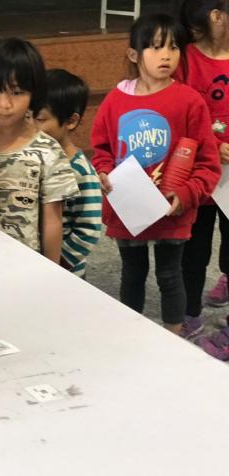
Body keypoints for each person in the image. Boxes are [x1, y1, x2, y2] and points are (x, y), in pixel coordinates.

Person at [91, 14, 221, 336]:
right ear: (134, 54)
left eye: (174, 47)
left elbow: (208, 164)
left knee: (170, 275)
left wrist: (186, 195)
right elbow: (101, 150)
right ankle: (132, 336)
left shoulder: (189, 101)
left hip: (171, 211)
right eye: (156, 47)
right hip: (128, 208)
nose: (166, 55)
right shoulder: (114, 101)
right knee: (132, 274)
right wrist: (103, 172)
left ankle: (174, 337)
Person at [0, 38, 79, 264]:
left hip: (25, 267)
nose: (4, 104)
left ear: (34, 94)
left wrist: (52, 273)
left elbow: (52, 221)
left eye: (17, 92)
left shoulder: (48, 150)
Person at [177, 0, 229, 359]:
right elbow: (176, 111)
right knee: (192, 252)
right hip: (198, 175)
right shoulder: (185, 59)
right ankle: (189, 314)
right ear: (216, 16)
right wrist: (211, 145)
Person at [35, 69, 102, 277]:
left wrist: (57, 264)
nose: (30, 126)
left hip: (63, 273)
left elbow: (88, 228)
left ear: (71, 121)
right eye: (27, 117)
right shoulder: (32, 159)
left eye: (40, 119)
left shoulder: (81, 171)